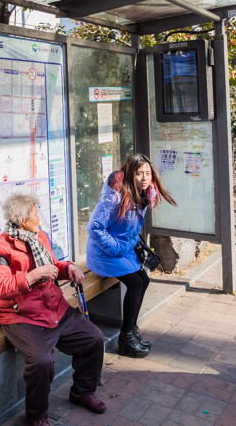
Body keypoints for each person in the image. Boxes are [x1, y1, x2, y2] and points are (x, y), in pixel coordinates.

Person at [0, 193, 107, 426]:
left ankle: (82, 391)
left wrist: (68, 268)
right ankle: (37, 416)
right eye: (35, 214)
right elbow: (0, 287)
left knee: (94, 339)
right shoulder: (0, 249)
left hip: (54, 308)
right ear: (23, 220)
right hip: (21, 316)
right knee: (42, 362)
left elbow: (51, 265)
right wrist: (31, 277)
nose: (39, 218)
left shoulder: (38, 236)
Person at [86, 153, 176, 358]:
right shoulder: (115, 196)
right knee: (135, 283)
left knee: (143, 279)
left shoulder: (144, 193)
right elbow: (95, 228)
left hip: (123, 249)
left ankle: (131, 329)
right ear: (129, 174)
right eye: (139, 173)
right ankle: (126, 336)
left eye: (148, 173)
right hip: (104, 252)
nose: (144, 178)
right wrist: (117, 247)